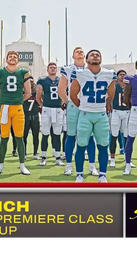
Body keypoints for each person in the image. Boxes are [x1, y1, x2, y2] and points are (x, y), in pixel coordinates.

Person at [69, 49, 116, 183]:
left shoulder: (109, 73)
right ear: (87, 59)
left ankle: (102, 175)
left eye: (98, 54)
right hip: (85, 114)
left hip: (101, 115)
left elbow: (111, 94)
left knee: (103, 145)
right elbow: (73, 95)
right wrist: (83, 106)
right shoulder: (80, 73)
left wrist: (106, 104)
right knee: (81, 145)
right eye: (92, 55)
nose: (95, 56)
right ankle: (79, 174)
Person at [0, 51, 31, 175]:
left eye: (15, 57)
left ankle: (22, 165)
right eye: (10, 57)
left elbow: (28, 92)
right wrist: (3, 100)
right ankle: (1, 166)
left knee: (19, 137)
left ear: (18, 60)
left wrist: (18, 100)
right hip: (5, 108)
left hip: (18, 108)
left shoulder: (23, 72)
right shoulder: (0, 72)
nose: (12, 58)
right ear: (6, 59)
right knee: (4, 137)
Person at [59, 47, 97, 177]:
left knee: (90, 136)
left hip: (88, 105)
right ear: (73, 56)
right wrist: (69, 101)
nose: (80, 52)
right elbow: (61, 90)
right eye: (77, 51)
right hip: (74, 106)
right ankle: (69, 166)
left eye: (82, 51)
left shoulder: (91, 69)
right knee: (71, 135)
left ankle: (92, 166)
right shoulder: (67, 69)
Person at [36, 62, 64, 166]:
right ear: (47, 70)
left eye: (54, 68)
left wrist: (61, 104)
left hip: (57, 109)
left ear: (56, 70)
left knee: (57, 134)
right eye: (51, 68)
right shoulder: (43, 81)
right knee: (45, 133)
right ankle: (43, 157)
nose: (52, 69)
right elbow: (38, 96)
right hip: (47, 109)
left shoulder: (61, 80)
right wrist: (43, 105)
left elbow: (64, 93)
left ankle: (57, 157)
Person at [109, 69, 130, 168]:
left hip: (126, 111)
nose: (122, 76)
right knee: (114, 135)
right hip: (116, 111)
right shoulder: (114, 85)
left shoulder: (129, 86)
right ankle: (112, 158)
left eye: (124, 74)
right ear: (117, 76)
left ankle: (127, 158)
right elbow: (109, 97)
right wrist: (109, 107)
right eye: (120, 74)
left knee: (126, 136)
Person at [23, 77, 40, 160]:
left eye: (32, 82)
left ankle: (35, 153)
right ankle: (24, 153)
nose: (31, 84)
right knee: (24, 136)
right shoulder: (23, 93)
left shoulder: (36, 93)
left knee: (36, 136)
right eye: (29, 82)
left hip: (35, 116)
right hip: (25, 116)